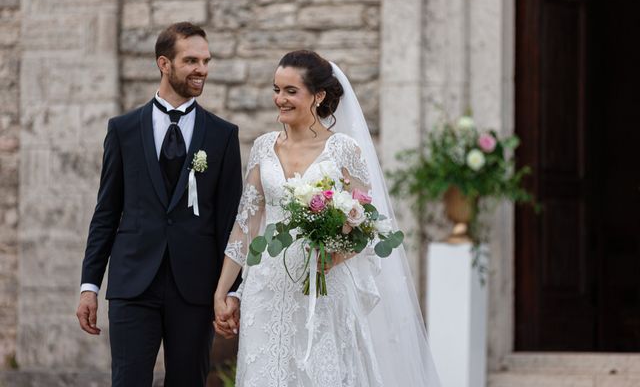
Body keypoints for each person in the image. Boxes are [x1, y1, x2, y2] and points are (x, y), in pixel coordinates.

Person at [214, 50, 441, 386]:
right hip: (267, 288)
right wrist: (223, 291)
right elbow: (246, 224)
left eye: (291, 91)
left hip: (323, 290)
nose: (280, 99)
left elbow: (365, 227)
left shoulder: (344, 150)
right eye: (277, 89)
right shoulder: (263, 147)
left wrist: (332, 257)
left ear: (317, 96)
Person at [76, 22, 242, 387]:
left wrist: (231, 291)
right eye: (191, 60)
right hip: (133, 284)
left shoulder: (223, 135)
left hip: (195, 288)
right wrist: (90, 284)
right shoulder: (123, 129)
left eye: (206, 60)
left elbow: (232, 222)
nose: (202, 69)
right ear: (164, 64)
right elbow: (106, 212)